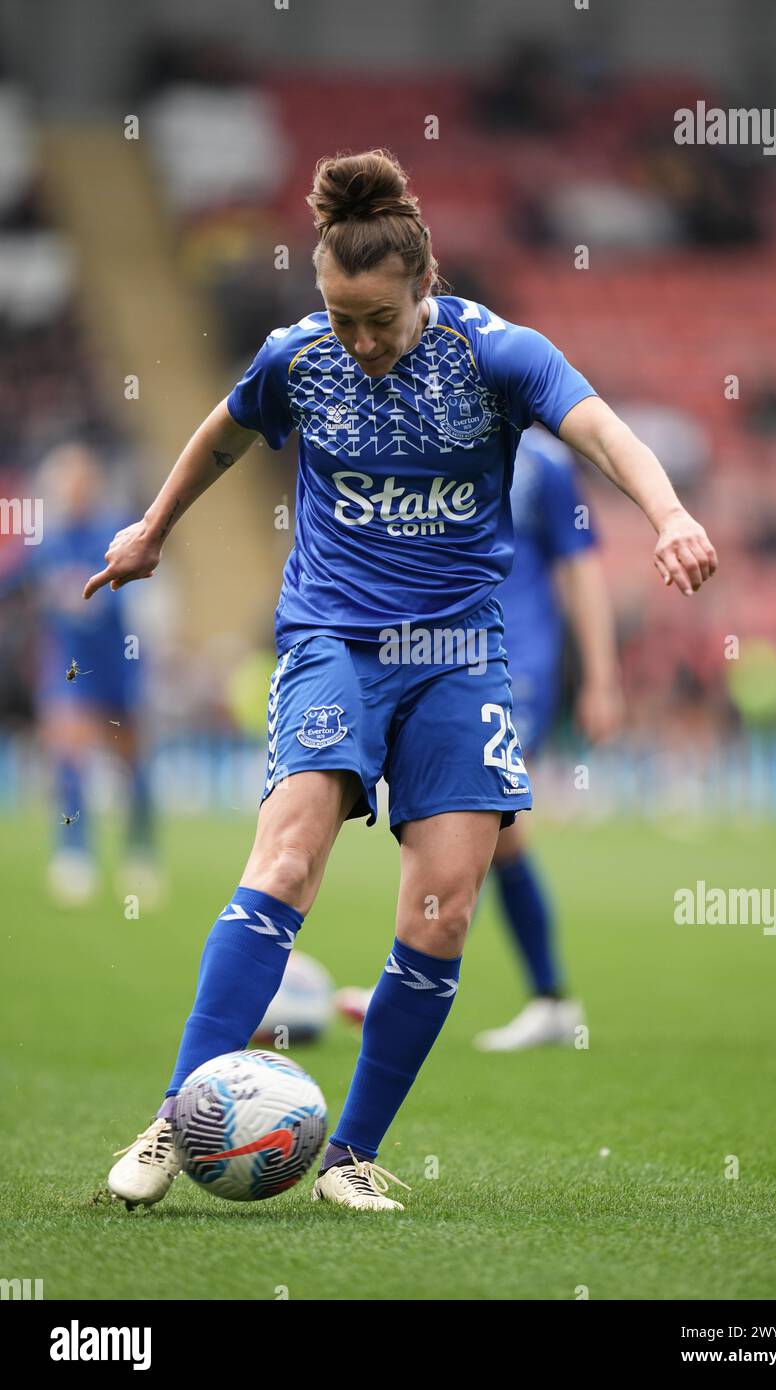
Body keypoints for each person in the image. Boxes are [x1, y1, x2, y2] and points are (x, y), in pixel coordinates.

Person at [91, 148, 717, 1214]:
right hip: (332, 638)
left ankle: (351, 1154)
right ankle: (174, 1117)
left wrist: (667, 514)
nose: (358, 340)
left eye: (376, 318)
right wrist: (153, 528)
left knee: (440, 913)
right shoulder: (299, 357)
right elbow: (224, 432)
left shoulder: (499, 355)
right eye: (340, 316)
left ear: (424, 288)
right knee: (286, 859)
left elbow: (603, 431)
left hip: (459, 655)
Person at [475, 423, 624, 1050]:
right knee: (496, 833)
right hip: (440, 658)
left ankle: (407, 980)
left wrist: (601, 678)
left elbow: (581, 566)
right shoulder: (434, 436)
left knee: (477, 813)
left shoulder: (545, 463)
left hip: (516, 663)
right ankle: (552, 998)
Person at [3, 442, 159, 904]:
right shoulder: (47, 544)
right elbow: (10, 581)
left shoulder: (114, 534)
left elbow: (120, 597)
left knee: (132, 767)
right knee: (68, 760)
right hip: (70, 675)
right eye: (64, 482)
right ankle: (74, 855)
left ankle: (141, 853)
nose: (72, 490)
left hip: (118, 670)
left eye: (79, 481)